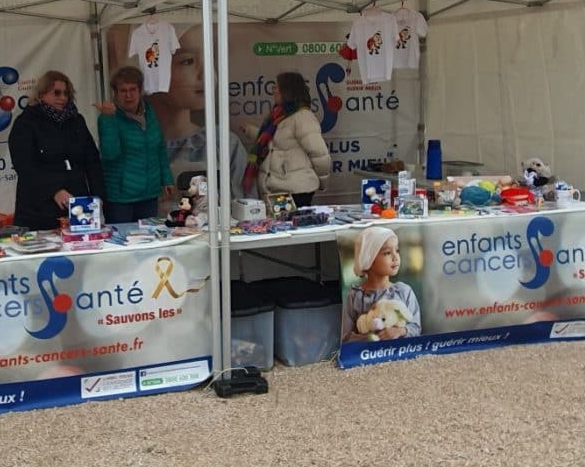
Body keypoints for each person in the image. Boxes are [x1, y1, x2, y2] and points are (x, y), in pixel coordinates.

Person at [146, 24, 247, 195]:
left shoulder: (223, 143)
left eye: (210, 59)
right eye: (188, 61)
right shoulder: (136, 144)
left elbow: (242, 203)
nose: (205, 73)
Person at [8, 70, 106, 231]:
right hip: (38, 208)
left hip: (77, 204)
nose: (62, 98)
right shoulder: (26, 122)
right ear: (41, 94)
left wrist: (98, 195)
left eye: (66, 93)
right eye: (57, 93)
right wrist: (54, 190)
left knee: (82, 249)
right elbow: (24, 165)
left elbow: (92, 160)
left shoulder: (76, 120)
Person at [95, 66, 175, 224]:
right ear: (115, 93)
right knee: (122, 244)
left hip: (149, 194)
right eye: (123, 91)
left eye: (133, 89)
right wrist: (108, 120)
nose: (129, 95)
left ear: (140, 91)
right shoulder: (109, 117)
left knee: (148, 242)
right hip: (120, 198)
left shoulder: (150, 112)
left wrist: (167, 178)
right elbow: (110, 154)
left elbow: (159, 147)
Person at [242, 71, 330, 207]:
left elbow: (319, 154)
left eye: (277, 87)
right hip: (279, 189)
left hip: (297, 190)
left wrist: (321, 181)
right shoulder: (279, 116)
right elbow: (275, 140)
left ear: (288, 90)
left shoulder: (302, 117)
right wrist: (250, 131)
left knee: (293, 226)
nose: (274, 91)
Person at [341, 227, 422, 343]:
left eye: (397, 250)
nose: (395, 257)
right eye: (388, 253)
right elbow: (346, 337)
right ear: (369, 258)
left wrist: (400, 331)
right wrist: (371, 338)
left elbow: (416, 328)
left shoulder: (404, 291)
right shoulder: (355, 296)